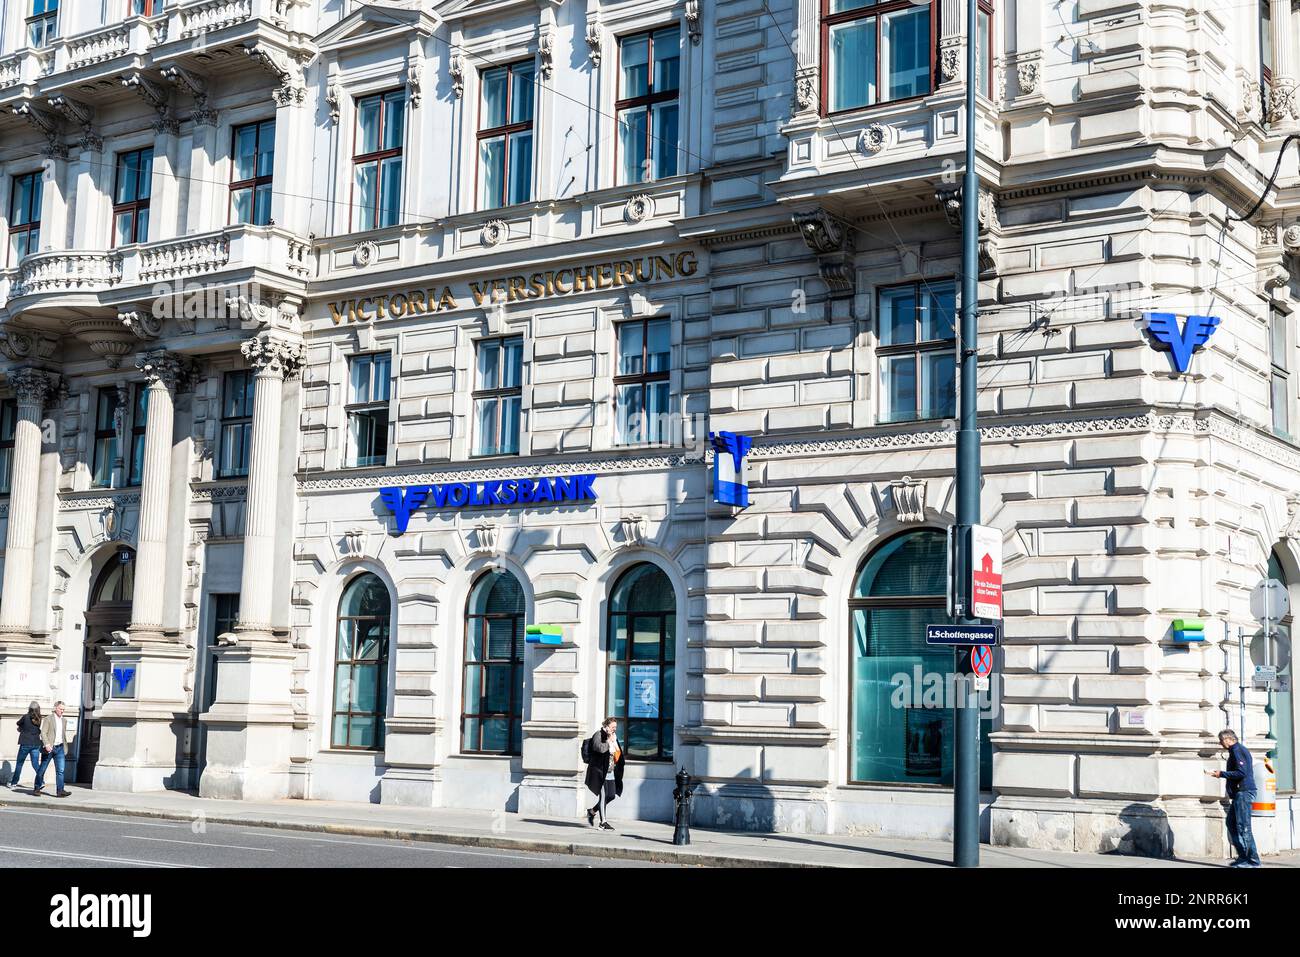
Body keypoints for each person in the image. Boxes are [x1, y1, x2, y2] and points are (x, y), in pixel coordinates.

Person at [1209, 729, 1261, 868]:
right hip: (1240, 793)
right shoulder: (1235, 750)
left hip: (1244, 792)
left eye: (1221, 741)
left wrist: (1221, 774)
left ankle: (1253, 861)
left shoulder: (1237, 750)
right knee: (1231, 823)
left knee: (1244, 827)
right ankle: (1243, 857)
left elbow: (1241, 772)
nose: (1221, 744)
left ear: (1228, 739)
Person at [584, 716, 625, 831]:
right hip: (600, 771)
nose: (614, 729)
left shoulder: (614, 736)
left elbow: (617, 753)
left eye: (615, 727)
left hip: (610, 770)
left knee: (611, 795)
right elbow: (599, 748)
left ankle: (592, 812)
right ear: (607, 725)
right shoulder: (599, 734)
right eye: (613, 727)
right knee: (603, 796)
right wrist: (608, 742)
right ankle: (603, 823)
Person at [34, 700, 74, 798]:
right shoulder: (48, 719)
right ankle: (37, 788)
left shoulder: (64, 720)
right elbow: (43, 733)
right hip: (49, 748)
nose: (62, 711)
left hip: (60, 748)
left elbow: (63, 735)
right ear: (55, 708)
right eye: (61, 709)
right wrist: (47, 744)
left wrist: (65, 747)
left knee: (60, 770)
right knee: (42, 769)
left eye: (63, 709)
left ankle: (60, 791)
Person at [7, 702, 43, 790]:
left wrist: (22, 729)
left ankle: (14, 783)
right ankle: (41, 782)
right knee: (35, 764)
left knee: (19, 764)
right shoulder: (39, 718)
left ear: (29, 708)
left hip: (25, 743)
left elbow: (18, 723)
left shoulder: (25, 716)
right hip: (36, 743)